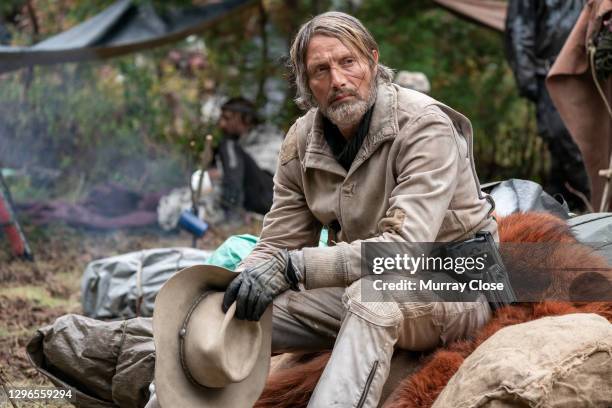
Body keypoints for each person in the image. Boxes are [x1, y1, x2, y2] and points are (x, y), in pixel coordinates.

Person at [222, 11, 502, 407]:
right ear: (307, 86)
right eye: (320, 70)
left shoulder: (424, 125)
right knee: (234, 309)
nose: (337, 80)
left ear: (373, 61)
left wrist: (295, 267)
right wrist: (237, 283)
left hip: (458, 281)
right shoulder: (301, 142)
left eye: (347, 62)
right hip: (366, 279)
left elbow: (403, 250)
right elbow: (277, 244)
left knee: (371, 298)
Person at [505, 0, 590, 210]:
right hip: (548, 76)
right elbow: (518, 32)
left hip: (585, 76)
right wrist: (528, 81)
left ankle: (562, 208)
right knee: (561, 138)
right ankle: (592, 203)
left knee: (573, 148)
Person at [214, 97, 283, 219]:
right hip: (251, 200)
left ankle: (231, 213)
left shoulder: (269, 136)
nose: (222, 124)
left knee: (228, 145)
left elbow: (268, 175)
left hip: (271, 197)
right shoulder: (236, 145)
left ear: (246, 118)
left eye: (227, 118)